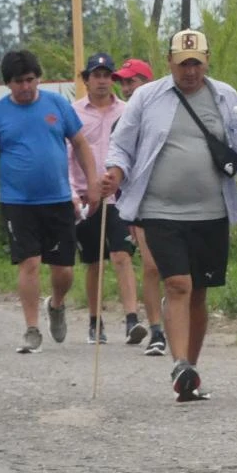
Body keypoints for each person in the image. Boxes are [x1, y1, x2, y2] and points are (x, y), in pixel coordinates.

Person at [103, 30, 237, 402]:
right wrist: (114, 172)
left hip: (212, 211)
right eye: (183, 64)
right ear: (170, 62)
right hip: (160, 210)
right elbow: (122, 145)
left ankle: (190, 370)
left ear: (206, 61)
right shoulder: (147, 97)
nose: (190, 71)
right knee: (178, 283)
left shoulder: (226, 97)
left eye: (196, 63)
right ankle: (179, 363)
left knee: (199, 293)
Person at [0, 50, 101, 354]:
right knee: (29, 262)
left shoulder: (57, 105)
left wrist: (93, 182)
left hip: (58, 198)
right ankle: (31, 328)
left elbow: (81, 144)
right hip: (17, 202)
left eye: (30, 80)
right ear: (8, 84)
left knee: (63, 270)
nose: (26, 87)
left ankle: (56, 304)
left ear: (38, 79)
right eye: (19, 82)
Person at [68, 53, 147, 347]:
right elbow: (66, 156)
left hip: (120, 197)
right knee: (94, 262)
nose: (101, 80)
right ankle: (94, 320)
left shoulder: (127, 112)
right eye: (96, 75)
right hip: (86, 196)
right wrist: (73, 194)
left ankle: (131, 319)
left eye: (106, 75)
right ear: (86, 79)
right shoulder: (73, 113)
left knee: (122, 256)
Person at [112, 58, 166, 355]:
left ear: (147, 82)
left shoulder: (171, 113)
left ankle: (179, 322)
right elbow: (121, 165)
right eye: (123, 82)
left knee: (181, 272)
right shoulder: (123, 123)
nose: (126, 88)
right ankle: (157, 331)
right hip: (143, 203)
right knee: (151, 266)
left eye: (131, 81)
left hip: (177, 199)